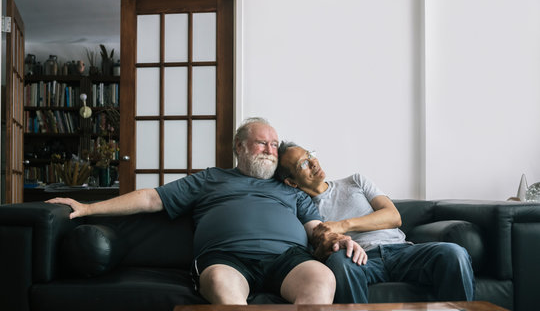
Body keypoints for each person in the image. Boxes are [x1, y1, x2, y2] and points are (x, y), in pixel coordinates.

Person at [47, 117, 365, 305]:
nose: (270, 150)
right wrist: (88, 207)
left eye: (273, 144)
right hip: (226, 258)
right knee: (222, 287)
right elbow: (149, 199)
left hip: (288, 258)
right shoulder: (211, 178)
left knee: (321, 278)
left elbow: (316, 228)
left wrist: (338, 239)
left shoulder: (289, 189)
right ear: (240, 147)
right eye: (261, 143)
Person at [275, 141, 475, 303]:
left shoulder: (355, 181)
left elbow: (393, 216)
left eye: (310, 154)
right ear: (292, 182)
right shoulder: (302, 209)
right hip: (358, 260)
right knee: (340, 264)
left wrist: (343, 225)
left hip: (401, 251)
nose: (313, 163)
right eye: (302, 164)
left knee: (454, 253)